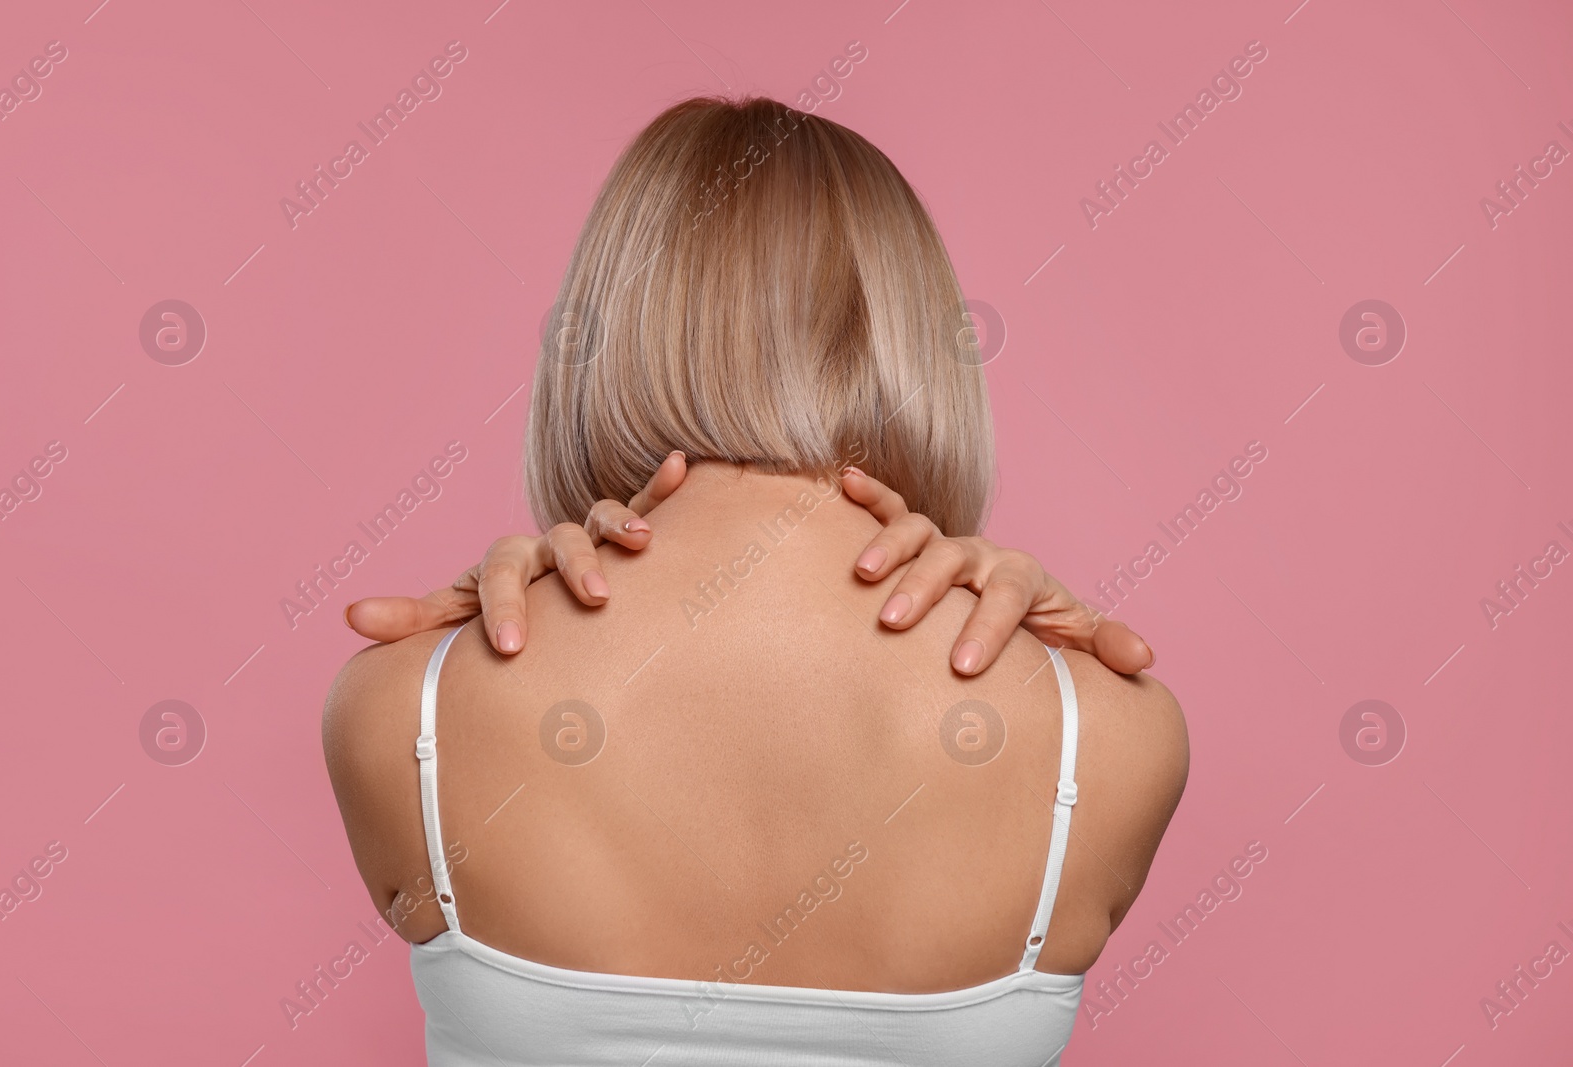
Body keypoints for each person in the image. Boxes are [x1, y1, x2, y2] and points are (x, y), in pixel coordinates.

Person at [323, 96, 1187, 1066]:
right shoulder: (1108, 734)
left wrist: (457, 657)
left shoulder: (404, 707)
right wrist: (1058, 667)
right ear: (914, 346)